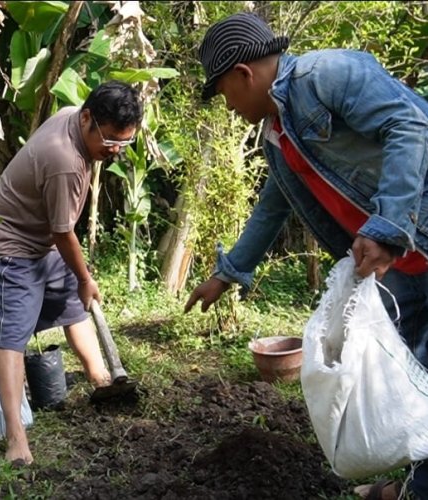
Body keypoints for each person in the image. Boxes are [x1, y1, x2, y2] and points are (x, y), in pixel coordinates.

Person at [183, 12, 428, 500]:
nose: (228, 107)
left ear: (242, 75)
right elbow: (274, 205)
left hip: (412, 239)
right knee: (410, 383)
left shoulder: (327, 74)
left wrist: (387, 226)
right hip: (401, 267)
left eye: (223, 93)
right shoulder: (280, 133)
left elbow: (411, 124)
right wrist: (228, 273)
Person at [0, 81, 143, 465]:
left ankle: (104, 380)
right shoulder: (64, 160)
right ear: (87, 118)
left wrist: (77, 280)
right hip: (10, 243)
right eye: (111, 141)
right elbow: (63, 231)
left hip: (42, 237)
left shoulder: (73, 117)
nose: (116, 150)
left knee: (72, 304)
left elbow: (58, 233)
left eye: (125, 143)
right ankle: (16, 439)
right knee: (12, 338)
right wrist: (86, 276)